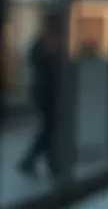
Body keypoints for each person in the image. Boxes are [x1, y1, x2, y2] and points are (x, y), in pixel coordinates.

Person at [17, 10, 62, 179]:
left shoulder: (49, 43)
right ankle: (33, 161)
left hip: (50, 93)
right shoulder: (42, 44)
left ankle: (49, 162)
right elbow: (38, 64)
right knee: (48, 129)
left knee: (50, 129)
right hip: (44, 94)